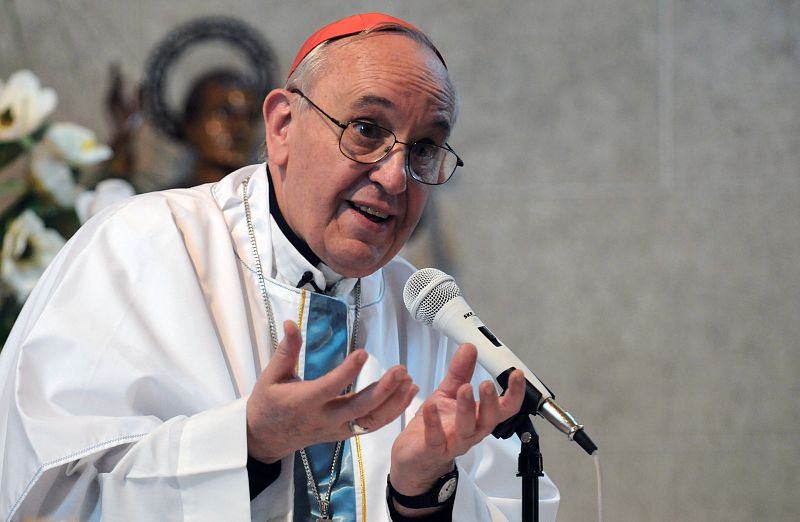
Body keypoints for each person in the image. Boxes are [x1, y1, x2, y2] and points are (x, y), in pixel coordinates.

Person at [0, 12, 559, 522]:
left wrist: (423, 492)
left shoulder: (424, 311)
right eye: (367, 129)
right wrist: (248, 444)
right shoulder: (138, 247)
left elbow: (509, 503)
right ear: (283, 125)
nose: (395, 177)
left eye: (425, 148)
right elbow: (46, 492)